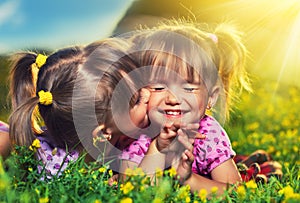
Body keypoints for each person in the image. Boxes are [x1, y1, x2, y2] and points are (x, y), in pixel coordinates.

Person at [119, 20, 252, 195]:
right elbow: (133, 190)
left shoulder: (208, 135)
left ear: (211, 97)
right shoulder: (139, 132)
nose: (173, 99)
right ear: (142, 91)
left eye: (189, 88)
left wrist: (189, 179)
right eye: (159, 87)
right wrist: (157, 149)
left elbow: (235, 192)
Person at [8, 37, 149, 177]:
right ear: (101, 134)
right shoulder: (55, 172)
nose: (149, 94)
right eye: (137, 100)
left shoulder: (122, 140)